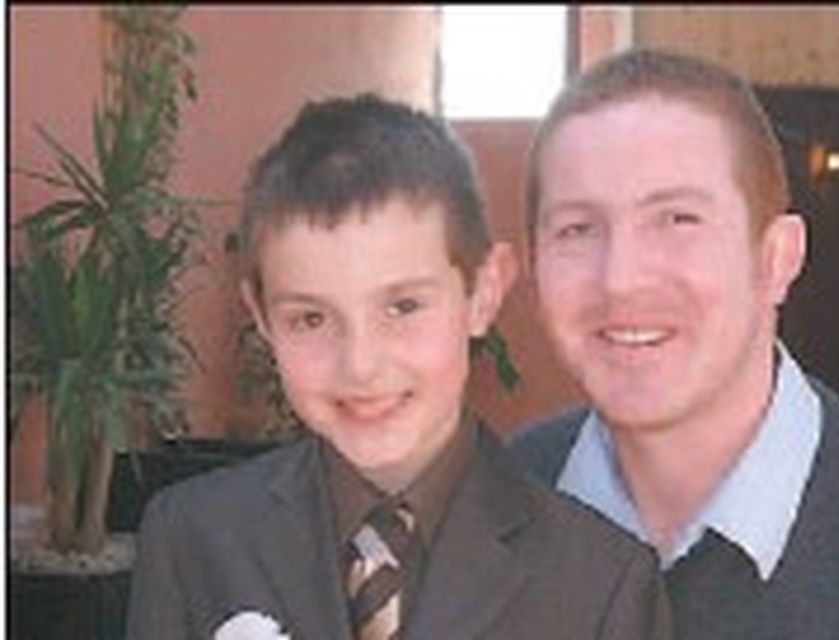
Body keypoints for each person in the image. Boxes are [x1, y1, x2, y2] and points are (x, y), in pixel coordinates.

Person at [126, 94, 670, 640]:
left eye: (403, 307)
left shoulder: (599, 584)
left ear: (483, 292)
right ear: (262, 316)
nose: (360, 365)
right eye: (311, 318)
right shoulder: (193, 539)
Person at [510, 48, 839, 639]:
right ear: (534, 265)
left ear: (777, 259)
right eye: (577, 229)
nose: (620, 278)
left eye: (677, 219)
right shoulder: (486, 516)